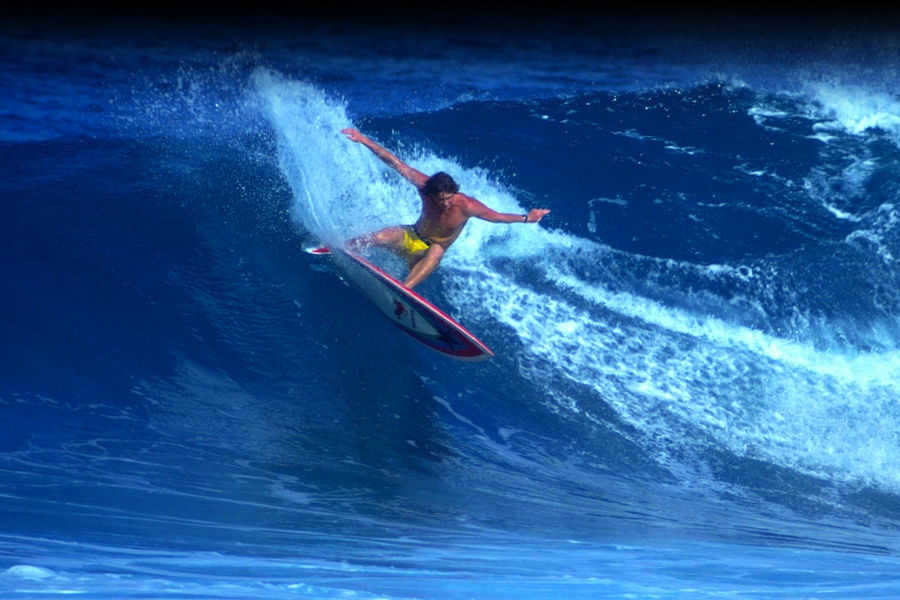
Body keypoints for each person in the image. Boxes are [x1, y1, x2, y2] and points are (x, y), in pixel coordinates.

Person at [336, 128, 550, 289]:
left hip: (424, 254)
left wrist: (526, 218)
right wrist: (364, 140)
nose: (445, 203)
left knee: (438, 250)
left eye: (448, 198)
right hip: (411, 235)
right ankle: (338, 250)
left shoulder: (467, 205)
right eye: (441, 200)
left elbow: (497, 216)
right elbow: (394, 162)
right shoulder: (425, 186)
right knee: (383, 235)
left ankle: (402, 291)